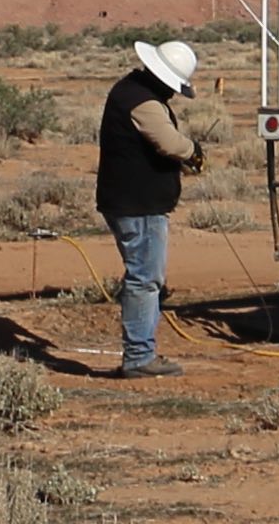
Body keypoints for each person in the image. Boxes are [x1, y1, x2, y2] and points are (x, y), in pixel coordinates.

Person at [96, 37, 206, 377]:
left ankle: (141, 353)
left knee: (144, 276)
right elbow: (169, 141)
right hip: (137, 204)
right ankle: (139, 358)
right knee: (145, 279)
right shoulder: (141, 100)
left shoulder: (132, 90)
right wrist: (193, 152)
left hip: (132, 201)